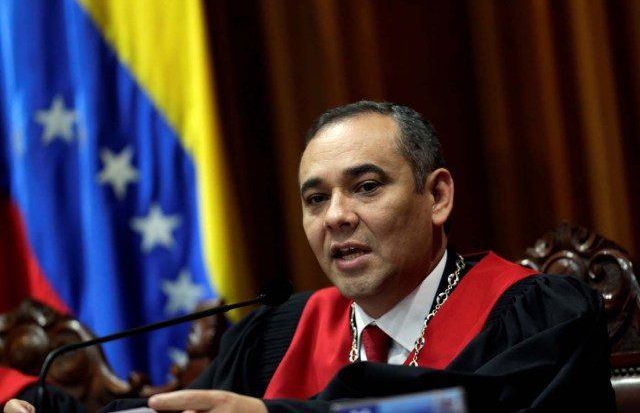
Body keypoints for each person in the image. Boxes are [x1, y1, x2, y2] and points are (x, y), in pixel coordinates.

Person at [5, 101, 615, 413]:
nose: (336, 217)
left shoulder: (538, 316)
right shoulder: (276, 334)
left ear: (436, 195)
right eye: (315, 199)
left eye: (367, 187)